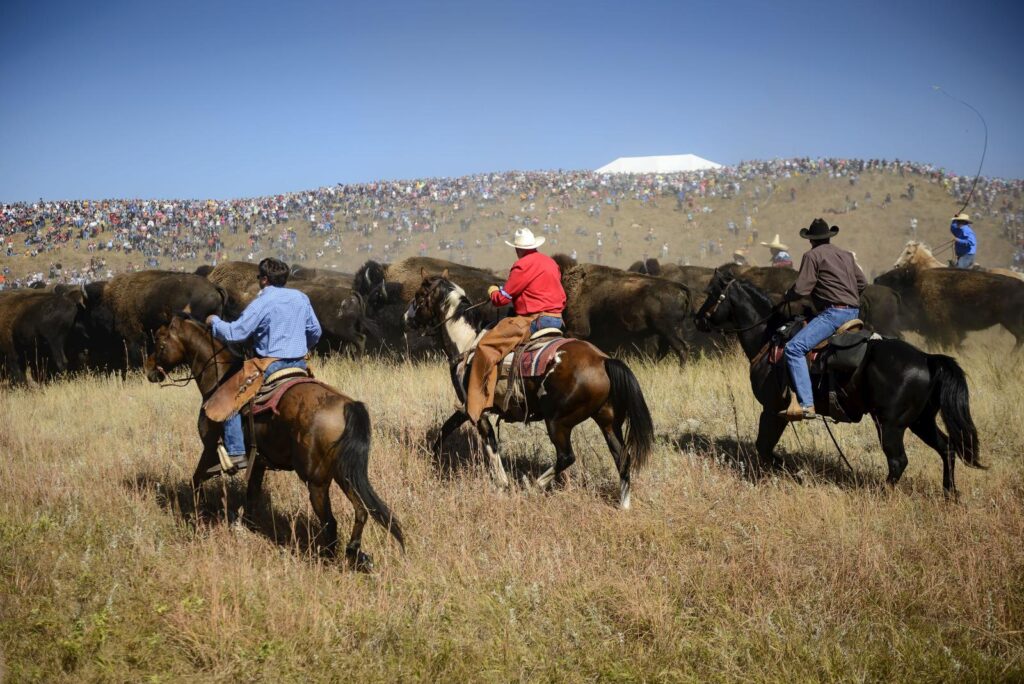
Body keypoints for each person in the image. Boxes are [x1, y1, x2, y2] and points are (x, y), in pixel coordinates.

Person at [204, 257, 322, 473]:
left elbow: (236, 333)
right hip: (298, 364)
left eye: (259, 277)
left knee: (230, 398)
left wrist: (214, 322)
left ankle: (236, 452)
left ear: (265, 280)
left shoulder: (262, 301)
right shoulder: (301, 298)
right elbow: (315, 331)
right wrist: (304, 346)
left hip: (270, 366)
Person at [466, 227, 566, 422]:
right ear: (534, 245)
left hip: (534, 319)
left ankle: (479, 404)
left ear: (517, 249)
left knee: (486, 346)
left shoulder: (522, 265)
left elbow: (502, 299)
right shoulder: (550, 262)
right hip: (557, 318)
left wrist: (493, 291)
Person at [780, 219, 867, 421]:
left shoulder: (811, 256)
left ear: (811, 240)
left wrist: (787, 295)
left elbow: (802, 289)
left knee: (794, 348)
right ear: (829, 237)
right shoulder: (846, 255)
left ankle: (807, 405)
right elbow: (862, 282)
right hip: (854, 313)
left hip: (833, 314)